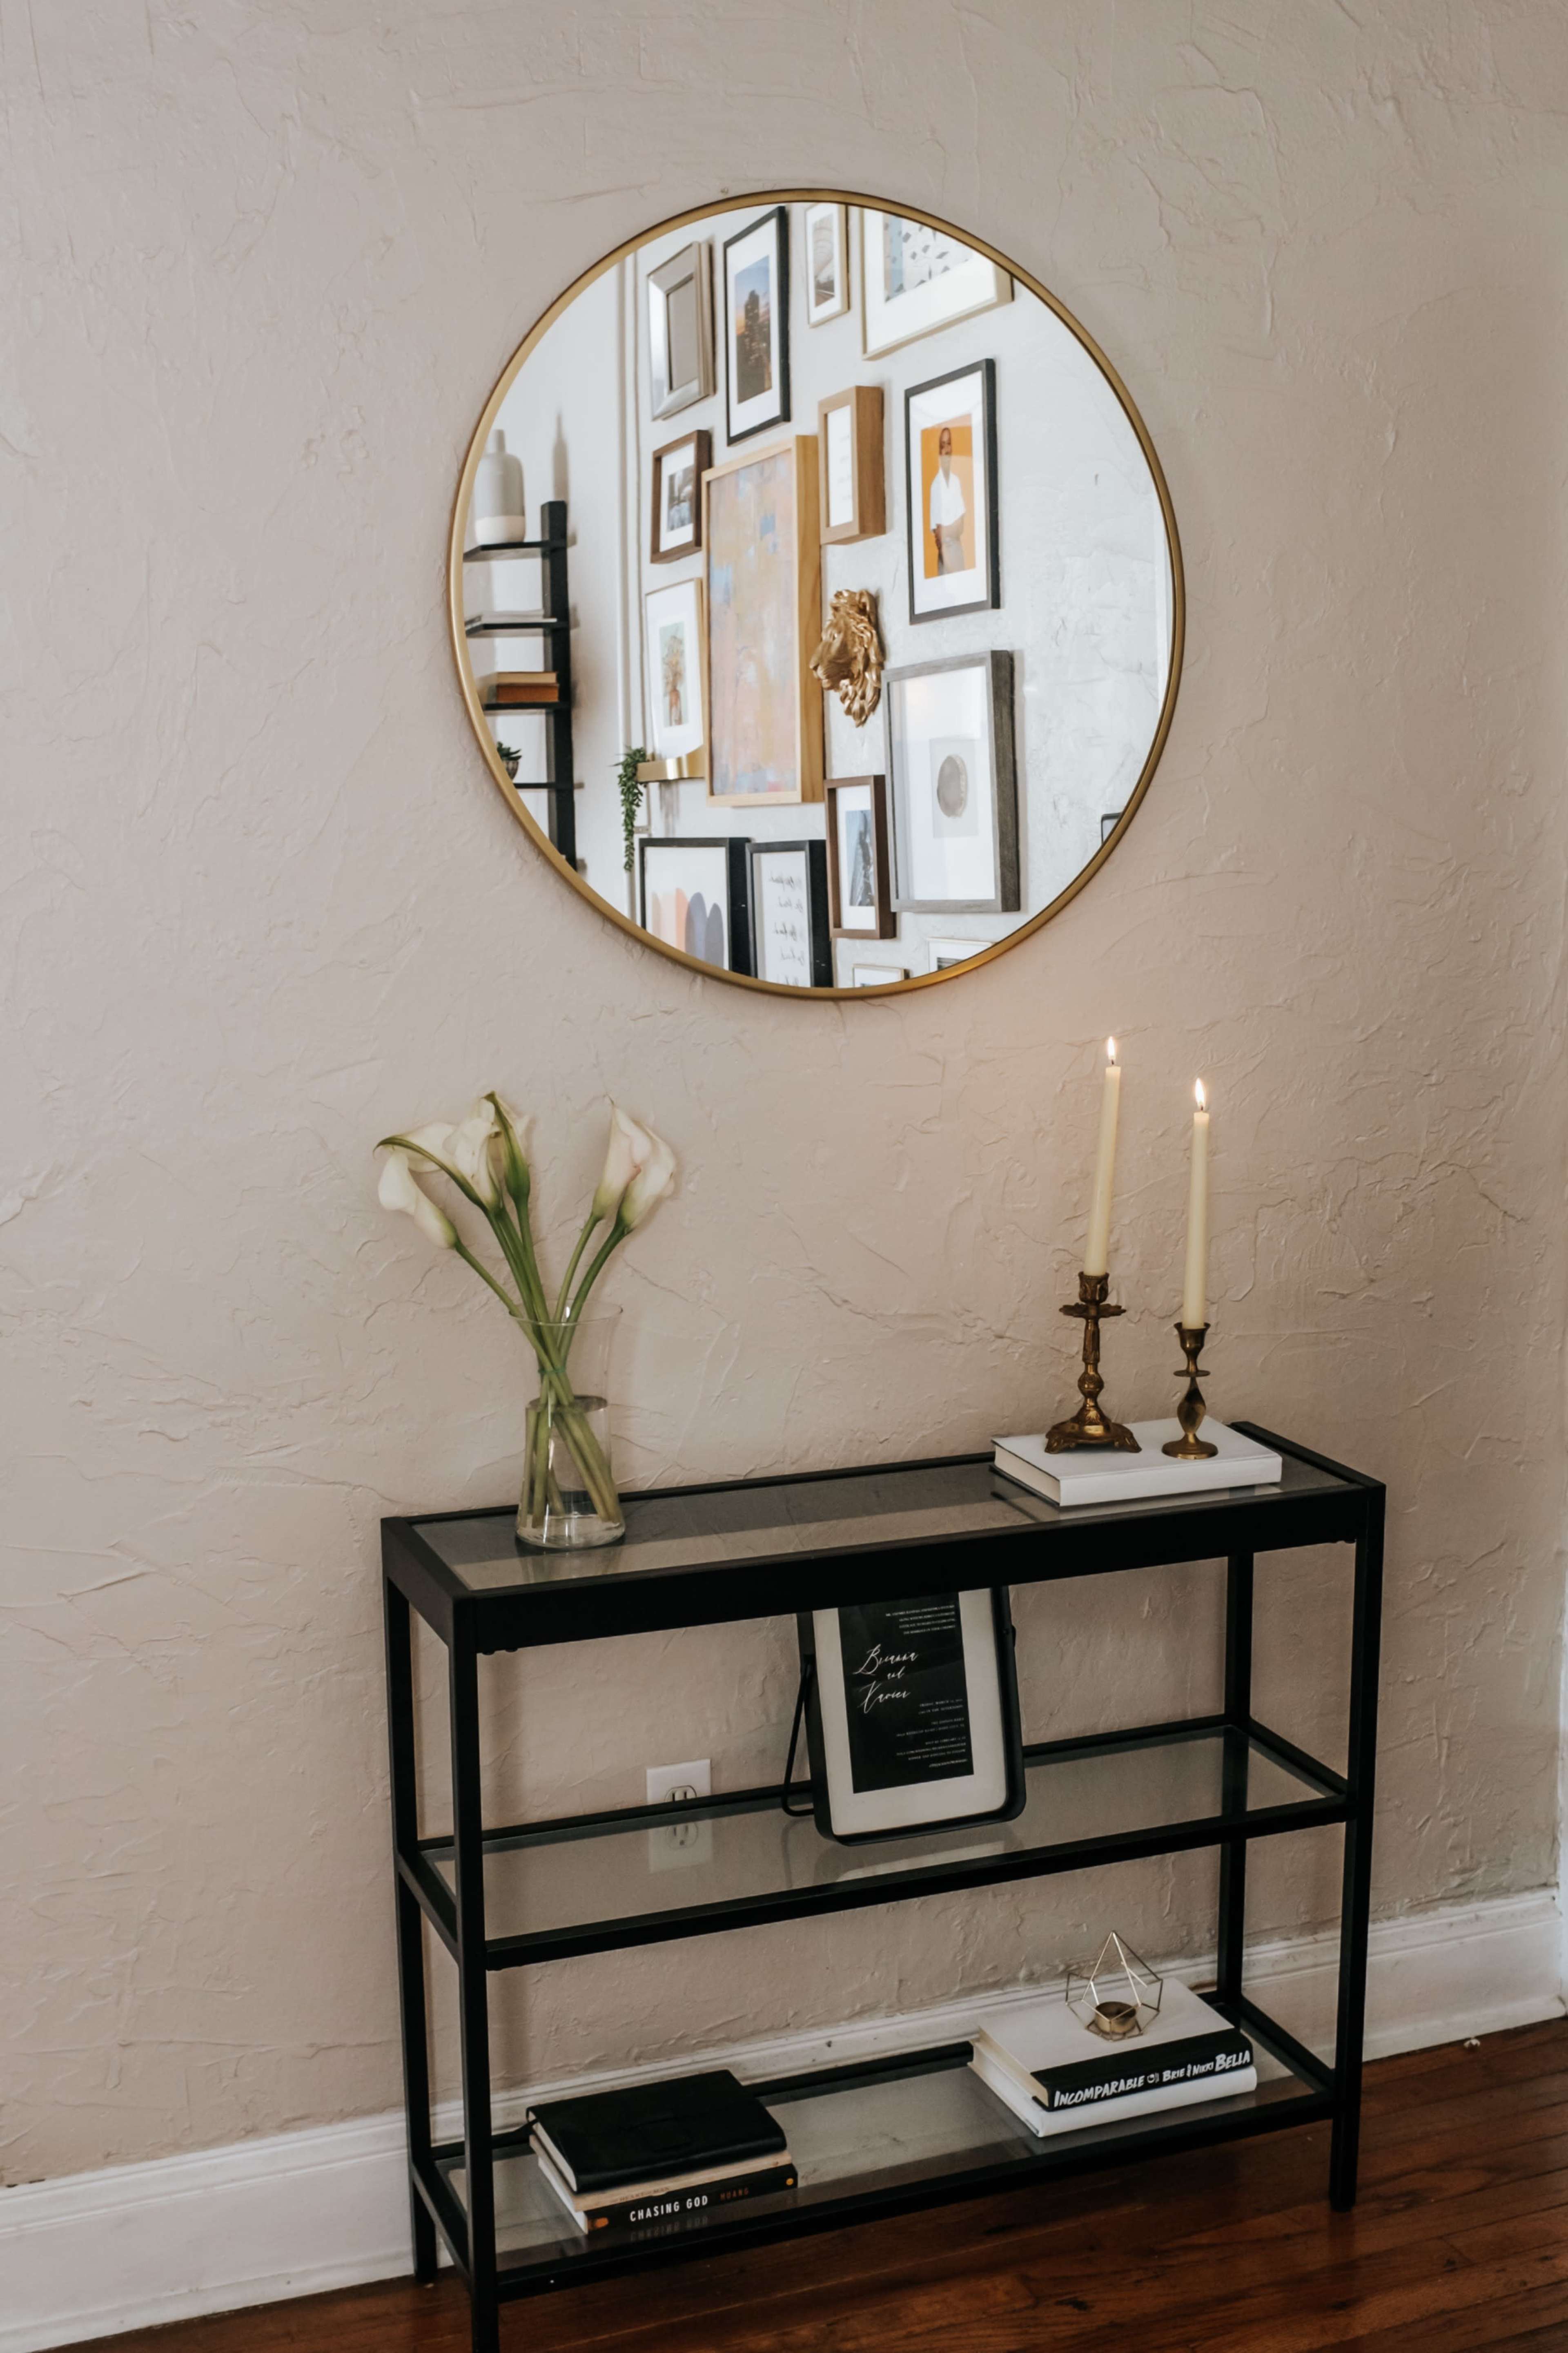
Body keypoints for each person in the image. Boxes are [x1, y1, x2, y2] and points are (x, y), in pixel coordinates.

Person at [929, 424, 967, 573]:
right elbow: (939, 535)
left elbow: (961, 527)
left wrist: (947, 530)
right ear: (939, 451)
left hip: (957, 552)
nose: (946, 449)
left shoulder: (956, 482)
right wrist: (950, 530)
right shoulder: (935, 486)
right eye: (943, 445)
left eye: (949, 444)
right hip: (945, 557)